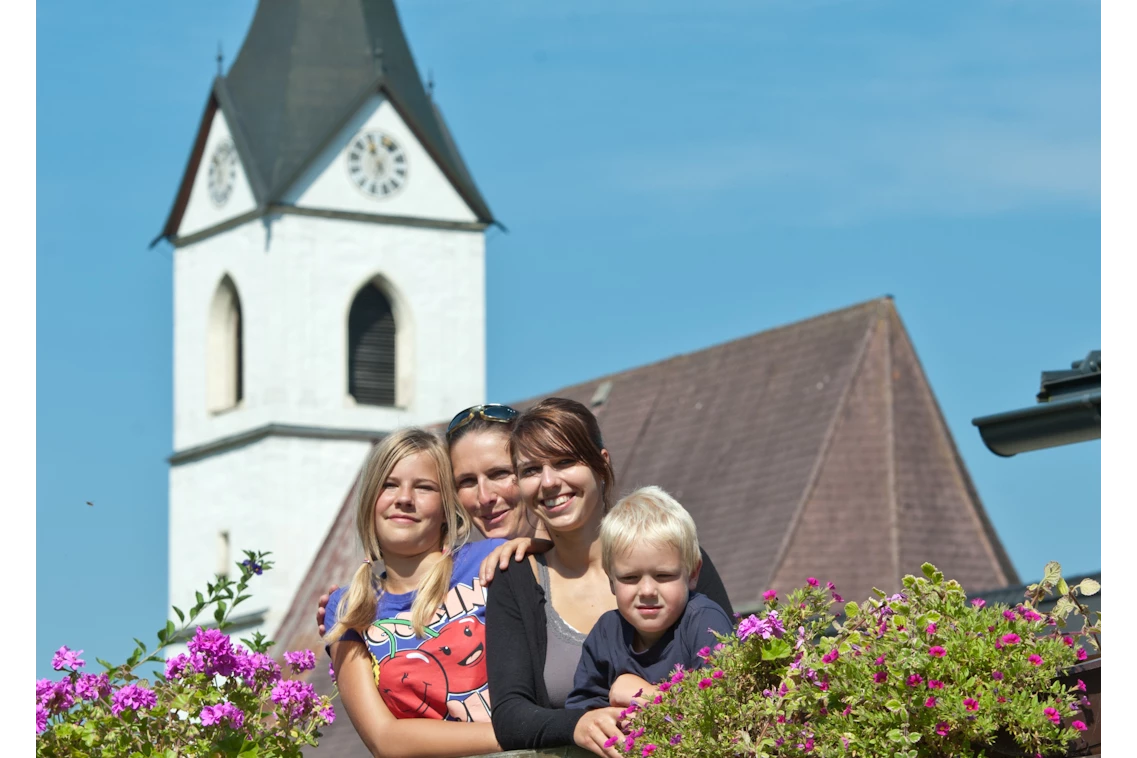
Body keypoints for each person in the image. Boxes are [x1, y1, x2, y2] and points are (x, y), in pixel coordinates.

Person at [484, 398, 735, 758]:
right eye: (531, 470)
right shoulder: (516, 577)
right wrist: (577, 724)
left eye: (566, 461)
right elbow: (509, 716)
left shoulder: (676, 556)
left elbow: (736, 675)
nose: (549, 482)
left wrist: (646, 695)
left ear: (602, 464)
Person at [321, 427, 505, 758]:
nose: (404, 498)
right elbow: (384, 739)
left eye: (424, 487)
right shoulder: (347, 608)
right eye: (389, 485)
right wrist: (525, 733)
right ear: (369, 501)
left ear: (447, 505)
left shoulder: (494, 559)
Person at [564, 485, 733, 711]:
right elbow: (581, 712)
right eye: (630, 577)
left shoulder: (704, 622)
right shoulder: (606, 633)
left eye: (663, 575)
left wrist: (647, 695)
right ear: (611, 580)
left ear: (692, 574)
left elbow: (724, 702)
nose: (647, 591)